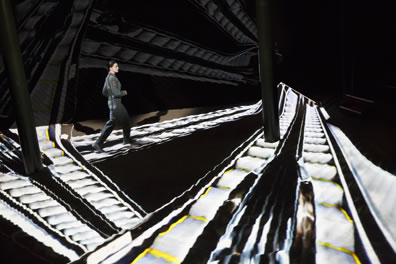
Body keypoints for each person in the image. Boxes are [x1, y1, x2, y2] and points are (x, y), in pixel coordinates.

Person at [92, 60, 132, 152]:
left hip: (113, 102)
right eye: (116, 66)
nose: (118, 68)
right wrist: (124, 92)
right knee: (117, 122)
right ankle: (98, 143)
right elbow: (116, 92)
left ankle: (126, 140)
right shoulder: (112, 78)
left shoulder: (108, 77)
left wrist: (110, 97)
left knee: (118, 122)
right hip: (116, 103)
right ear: (110, 68)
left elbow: (104, 92)